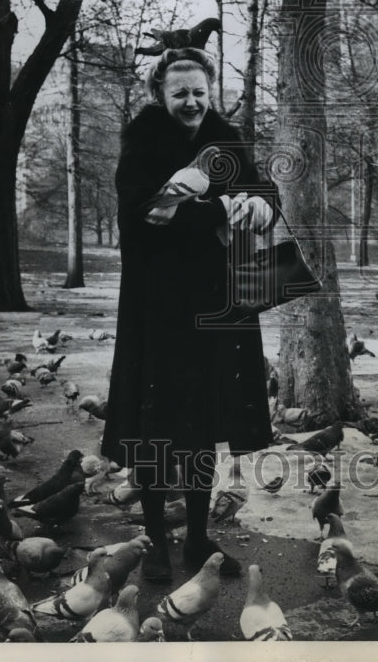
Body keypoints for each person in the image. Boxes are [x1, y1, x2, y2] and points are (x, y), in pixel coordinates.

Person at [101, 47, 279, 582]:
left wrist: (259, 204)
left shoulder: (226, 139)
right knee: (158, 427)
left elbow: (262, 187)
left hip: (218, 304)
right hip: (159, 308)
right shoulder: (142, 145)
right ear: (160, 94)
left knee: (202, 425)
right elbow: (139, 220)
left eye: (199, 92)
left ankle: (199, 538)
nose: (191, 102)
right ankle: (155, 541)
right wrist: (217, 211)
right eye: (180, 92)